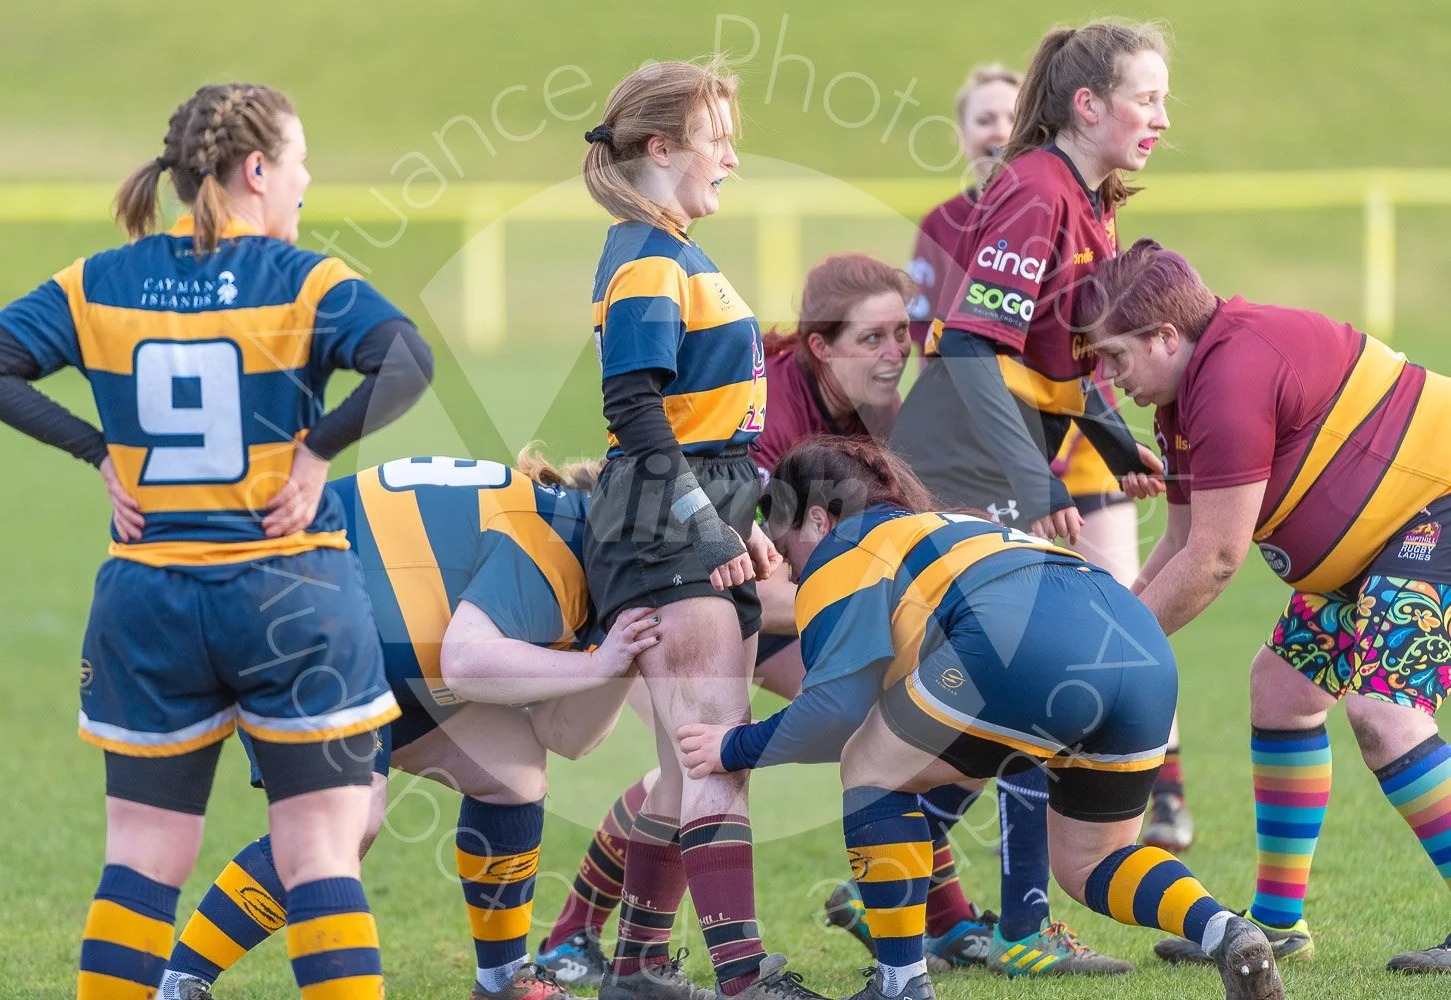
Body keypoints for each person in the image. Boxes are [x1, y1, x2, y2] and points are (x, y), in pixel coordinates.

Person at [0, 84, 434, 999]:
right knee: (319, 853)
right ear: (257, 171)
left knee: (140, 859)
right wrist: (317, 450)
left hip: (148, 603)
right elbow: (406, 360)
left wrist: (98, 451)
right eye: (297, 162)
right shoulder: (305, 280)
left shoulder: (99, 279)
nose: (305, 181)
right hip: (292, 599)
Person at [674, 437, 1287, 1000]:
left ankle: (900, 984)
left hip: (1020, 648)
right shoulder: (960, 523)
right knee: (1093, 860)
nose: (789, 566)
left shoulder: (842, 550)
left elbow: (834, 712)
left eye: (784, 546)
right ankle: (1227, 933)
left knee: (867, 761)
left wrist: (733, 747)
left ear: (818, 517)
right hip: (1140, 646)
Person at [538, 255, 995, 980]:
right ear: (821, 345)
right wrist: (885, 607)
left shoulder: (871, 406)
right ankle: (577, 935)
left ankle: (939, 921)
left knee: (882, 719)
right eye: (874, 338)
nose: (895, 352)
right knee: (700, 761)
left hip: (763, 591)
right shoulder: (774, 417)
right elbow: (769, 573)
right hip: (687, 579)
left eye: (901, 334)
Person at [1076, 238, 1451, 975]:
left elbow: (1215, 559)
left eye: (1116, 358)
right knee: (1279, 693)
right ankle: (1279, 923)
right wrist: (1105, 631)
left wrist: (1110, 660)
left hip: (1431, 512)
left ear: (1164, 337)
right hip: (1372, 548)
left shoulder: (1234, 370)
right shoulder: (1183, 398)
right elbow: (1180, 540)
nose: (1110, 381)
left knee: (1385, 716)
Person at [157, 451, 659, 1000]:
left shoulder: (590, 554)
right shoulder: (556, 548)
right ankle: (175, 982)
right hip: (285, 606)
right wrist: (596, 663)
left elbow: (567, 737)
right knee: (347, 818)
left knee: (511, 770)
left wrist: (620, 655)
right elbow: (466, 663)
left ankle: (502, 980)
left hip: (371, 637)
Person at [888, 22, 1171, 974]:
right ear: (1087, 105)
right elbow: (969, 346)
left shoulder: (1090, 202)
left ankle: (895, 882)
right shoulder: (1036, 188)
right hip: (969, 471)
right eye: (1147, 98)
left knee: (1016, 696)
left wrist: (1118, 443)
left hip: (1006, 466)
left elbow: (1061, 366)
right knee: (1036, 691)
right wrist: (1034, 479)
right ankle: (1011, 927)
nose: (1161, 119)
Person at [578, 58, 827, 1000]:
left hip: (689, 509)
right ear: (658, 147)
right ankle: (742, 975)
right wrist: (710, 527)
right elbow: (636, 413)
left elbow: (696, 423)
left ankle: (640, 968)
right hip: (663, 519)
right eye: (716, 135)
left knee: (691, 761)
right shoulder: (647, 255)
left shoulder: (670, 247)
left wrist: (743, 523)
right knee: (713, 748)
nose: (732, 154)